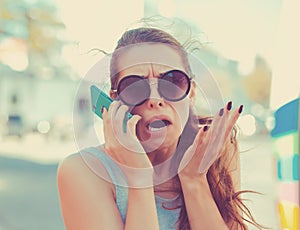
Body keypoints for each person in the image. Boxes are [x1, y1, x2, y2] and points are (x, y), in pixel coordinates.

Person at [57, 24, 263, 230]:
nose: (155, 100)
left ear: (191, 93)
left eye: (172, 81)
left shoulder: (214, 152)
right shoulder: (83, 170)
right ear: (115, 101)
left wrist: (193, 179)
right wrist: (139, 177)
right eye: (134, 86)